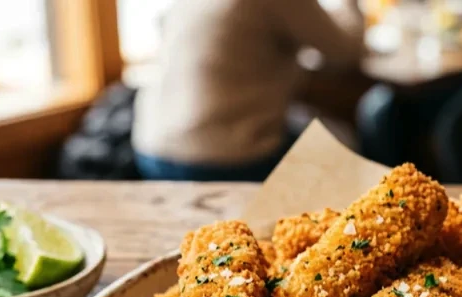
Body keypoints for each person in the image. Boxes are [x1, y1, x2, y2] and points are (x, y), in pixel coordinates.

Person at [133, 0, 365, 181]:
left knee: (305, 127)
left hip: (150, 147)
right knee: (344, 143)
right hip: (218, 160)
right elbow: (346, 51)